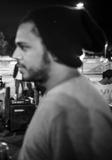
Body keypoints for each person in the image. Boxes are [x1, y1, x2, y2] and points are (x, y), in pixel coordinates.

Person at [12, 5, 112, 160]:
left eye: (24, 47)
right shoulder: (62, 96)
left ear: (55, 49)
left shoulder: (69, 110)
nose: (15, 55)